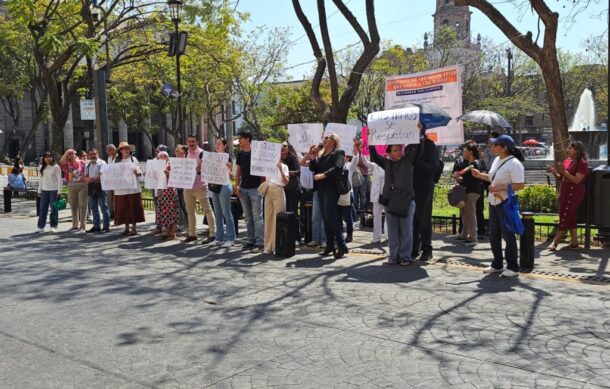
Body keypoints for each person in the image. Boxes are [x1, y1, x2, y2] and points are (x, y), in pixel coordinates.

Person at [472, 135, 525, 277]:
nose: (492, 147)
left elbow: (520, 185)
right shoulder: (497, 160)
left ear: (504, 148)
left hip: (505, 202)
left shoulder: (514, 163)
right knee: (493, 234)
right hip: (493, 201)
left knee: (508, 234)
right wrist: (479, 175)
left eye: (495, 145)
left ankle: (513, 266)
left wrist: (501, 187)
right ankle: (497, 264)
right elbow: (491, 177)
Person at [369, 137, 420, 266]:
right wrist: (371, 139)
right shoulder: (387, 163)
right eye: (395, 150)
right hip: (390, 201)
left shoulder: (408, 160)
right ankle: (393, 256)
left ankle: (405, 257)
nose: (399, 152)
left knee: (406, 230)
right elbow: (374, 156)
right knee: (392, 231)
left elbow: (417, 149)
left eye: (400, 149)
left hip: (406, 201)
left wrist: (419, 134)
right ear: (389, 152)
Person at [301, 133, 348, 259]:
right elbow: (313, 168)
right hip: (321, 189)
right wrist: (312, 156)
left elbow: (338, 168)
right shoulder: (322, 154)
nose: (324, 140)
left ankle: (342, 245)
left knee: (330, 217)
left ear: (333, 141)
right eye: (324, 138)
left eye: (327, 138)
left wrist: (324, 175)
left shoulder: (339, 152)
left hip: (332, 189)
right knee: (325, 218)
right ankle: (330, 245)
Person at [547, 141, 589, 251]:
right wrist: (555, 172)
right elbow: (562, 178)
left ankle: (555, 242)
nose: (568, 150)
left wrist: (564, 172)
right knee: (570, 216)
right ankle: (574, 242)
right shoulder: (567, 162)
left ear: (577, 150)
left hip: (574, 192)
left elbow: (576, 180)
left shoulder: (583, 164)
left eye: (570, 148)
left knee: (565, 215)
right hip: (565, 191)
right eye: (568, 148)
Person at [412, 125, 441, 262]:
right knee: (412, 217)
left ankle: (426, 248)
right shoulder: (409, 146)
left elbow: (433, 167)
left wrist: (417, 163)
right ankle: (414, 247)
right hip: (410, 186)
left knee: (423, 217)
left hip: (424, 186)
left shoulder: (429, 145)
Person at [181, 135, 216, 243]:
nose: (191, 143)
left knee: (207, 210)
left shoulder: (202, 153)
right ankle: (192, 234)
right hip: (188, 187)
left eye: (193, 141)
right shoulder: (186, 154)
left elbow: (207, 168)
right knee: (190, 212)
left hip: (200, 186)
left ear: (197, 141)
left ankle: (212, 234)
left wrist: (197, 169)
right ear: (187, 142)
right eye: (189, 141)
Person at [236, 130, 264, 251]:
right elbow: (238, 171)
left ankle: (259, 242)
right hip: (243, 189)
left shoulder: (257, 152)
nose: (239, 141)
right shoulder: (240, 154)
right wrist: (237, 185)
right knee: (248, 216)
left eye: (241, 138)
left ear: (248, 139)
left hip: (255, 188)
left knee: (257, 216)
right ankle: (250, 240)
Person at [452, 143, 482, 246]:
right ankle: (464, 235)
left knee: (470, 215)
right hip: (468, 191)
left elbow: (474, 179)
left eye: (465, 151)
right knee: (465, 214)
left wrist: (461, 179)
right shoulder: (470, 163)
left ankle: (473, 238)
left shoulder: (475, 163)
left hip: (472, 192)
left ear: (470, 151)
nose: (463, 153)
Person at [113, 141, 145, 235]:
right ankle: (126, 227)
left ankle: (134, 228)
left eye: (128, 149)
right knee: (124, 207)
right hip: (121, 189)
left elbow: (140, 171)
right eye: (125, 149)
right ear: (121, 151)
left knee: (133, 206)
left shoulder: (133, 160)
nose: (127, 150)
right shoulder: (117, 161)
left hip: (132, 188)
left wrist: (137, 172)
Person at [209, 138, 236, 248]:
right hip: (215, 186)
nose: (217, 145)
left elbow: (232, 175)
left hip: (224, 186)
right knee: (218, 214)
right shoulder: (212, 157)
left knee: (226, 213)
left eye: (219, 143)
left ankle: (230, 238)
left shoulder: (228, 157)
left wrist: (228, 168)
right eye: (216, 143)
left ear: (224, 146)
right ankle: (218, 238)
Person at [356, 147, 387, 243]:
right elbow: (365, 162)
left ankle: (388, 235)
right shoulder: (374, 165)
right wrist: (361, 152)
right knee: (376, 216)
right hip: (376, 195)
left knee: (388, 216)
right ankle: (376, 238)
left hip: (386, 194)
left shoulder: (389, 164)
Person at [263, 159, 289, 254]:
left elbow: (286, 182)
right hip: (268, 190)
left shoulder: (284, 166)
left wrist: (281, 170)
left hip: (278, 189)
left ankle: (277, 246)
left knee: (278, 218)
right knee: (268, 218)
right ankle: (268, 246)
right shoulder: (267, 165)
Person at [300, 154, 326, 247]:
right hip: (316, 191)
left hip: (326, 191)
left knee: (325, 217)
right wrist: (310, 154)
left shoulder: (328, 159)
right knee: (315, 217)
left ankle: (324, 240)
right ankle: (315, 239)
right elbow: (302, 163)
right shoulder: (314, 162)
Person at [60, 149, 87, 231]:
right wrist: (67, 151)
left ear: (76, 154)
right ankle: (75, 225)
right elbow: (61, 162)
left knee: (82, 205)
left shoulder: (82, 162)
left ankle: (83, 225)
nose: (71, 155)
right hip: (71, 185)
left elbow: (87, 172)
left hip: (82, 185)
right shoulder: (67, 164)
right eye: (69, 154)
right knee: (73, 206)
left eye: (73, 153)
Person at [84, 148, 110, 233]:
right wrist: (90, 179)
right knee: (93, 207)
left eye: (94, 154)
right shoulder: (87, 165)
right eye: (91, 154)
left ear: (97, 154)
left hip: (101, 186)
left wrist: (91, 179)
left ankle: (106, 227)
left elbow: (102, 175)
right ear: (89, 155)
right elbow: (85, 176)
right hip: (91, 187)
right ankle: (96, 226)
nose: (93, 156)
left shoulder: (102, 163)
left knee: (103, 207)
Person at [281, 142, 302, 244]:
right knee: (284, 213)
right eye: (281, 146)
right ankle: (286, 236)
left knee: (293, 212)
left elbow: (299, 171)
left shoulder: (293, 158)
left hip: (293, 189)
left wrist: (286, 172)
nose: (282, 147)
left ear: (288, 148)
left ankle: (296, 237)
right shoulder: (278, 159)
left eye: (284, 146)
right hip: (282, 188)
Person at [36, 152, 62, 233]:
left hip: (54, 190)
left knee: (54, 209)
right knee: (43, 209)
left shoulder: (56, 167)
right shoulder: (41, 167)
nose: (48, 158)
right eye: (46, 157)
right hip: (44, 190)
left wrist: (59, 191)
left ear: (52, 158)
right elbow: (40, 180)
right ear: (43, 158)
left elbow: (59, 179)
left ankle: (53, 226)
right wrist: (39, 191)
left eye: (50, 157)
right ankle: (41, 226)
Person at [156, 151, 180, 240]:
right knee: (164, 212)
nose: (163, 157)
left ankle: (173, 233)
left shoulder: (171, 165)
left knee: (172, 212)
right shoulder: (157, 167)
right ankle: (166, 231)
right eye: (161, 156)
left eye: (165, 155)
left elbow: (178, 175)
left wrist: (169, 174)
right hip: (162, 191)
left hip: (171, 191)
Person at [338, 147, 359, 244]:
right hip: (337, 195)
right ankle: (339, 235)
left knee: (347, 216)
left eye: (344, 156)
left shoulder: (349, 166)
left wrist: (355, 151)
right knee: (338, 217)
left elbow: (355, 160)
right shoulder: (335, 167)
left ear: (347, 158)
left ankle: (349, 234)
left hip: (347, 194)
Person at [174, 144, 189, 233]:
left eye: (179, 151)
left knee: (186, 207)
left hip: (185, 187)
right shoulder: (174, 161)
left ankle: (188, 225)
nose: (177, 153)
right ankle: (183, 224)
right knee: (180, 206)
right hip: (177, 187)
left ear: (183, 153)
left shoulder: (186, 162)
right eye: (176, 151)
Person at [106, 144, 117, 220]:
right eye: (109, 150)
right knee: (109, 197)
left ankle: (116, 213)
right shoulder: (109, 158)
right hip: (110, 180)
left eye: (112, 149)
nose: (110, 151)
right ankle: (111, 213)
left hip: (117, 180)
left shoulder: (118, 157)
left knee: (116, 197)